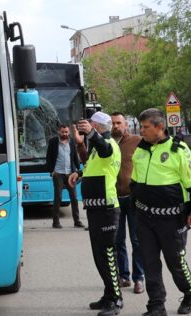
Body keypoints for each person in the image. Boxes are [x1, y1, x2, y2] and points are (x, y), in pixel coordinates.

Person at [131, 108, 191, 316]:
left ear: (160, 127)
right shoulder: (141, 150)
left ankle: (190, 292)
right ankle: (156, 305)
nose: (142, 131)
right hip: (145, 217)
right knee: (149, 262)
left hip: (171, 218)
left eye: (146, 127)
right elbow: (135, 182)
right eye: (141, 127)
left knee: (176, 262)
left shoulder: (178, 150)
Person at [68, 112, 123, 316]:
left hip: (106, 208)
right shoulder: (94, 149)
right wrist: (79, 174)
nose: (86, 126)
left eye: (90, 124)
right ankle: (109, 294)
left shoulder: (108, 143)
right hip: (95, 207)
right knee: (99, 255)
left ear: (98, 127)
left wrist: (91, 134)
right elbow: (96, 168)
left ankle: (116, 300)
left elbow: (105, 150)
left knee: (108, 255)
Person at [110, 112, 145, 294]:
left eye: (119, 123)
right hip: (114, 199)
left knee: (137, 240)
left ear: (126, 125)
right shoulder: (108, 143)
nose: (115, 126)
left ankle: (139, 278)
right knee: (118, 241)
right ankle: (124, 276)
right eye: (113, 123)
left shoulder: (138, 141)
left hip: (133, 199)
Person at [45, 124, 83, 228]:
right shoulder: (53, 142)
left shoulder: (72, 142)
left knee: (74, 198)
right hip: (58, 174)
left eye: (66, 132)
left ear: (69, 132)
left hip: (70, 173)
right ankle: (55, 222)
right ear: (59, 132)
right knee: (58, 198)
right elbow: (48, 158)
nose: (65, 134)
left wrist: (78, 170)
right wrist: (51, 171)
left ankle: (77, 221)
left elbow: (75, 156)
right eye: (63, 132)